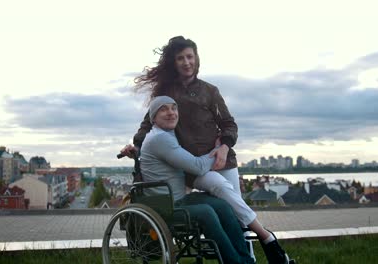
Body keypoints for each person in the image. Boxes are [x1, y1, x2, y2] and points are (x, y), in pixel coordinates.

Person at [121, 36, 293, 263]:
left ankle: (252, 255)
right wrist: (137, 146)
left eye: (190, 56)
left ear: (197, 59)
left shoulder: (210, 91)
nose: (186, 62)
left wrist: (223, 147)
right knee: (219, 200)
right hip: (194, 166)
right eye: (180, 58)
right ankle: (260, 241)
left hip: (223, 160)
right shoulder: (167, 94)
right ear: (174, 62)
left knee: (237, 216)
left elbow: (229, 124)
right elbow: (149, 124)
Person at [139, 96, 254, 264]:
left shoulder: (167, 135)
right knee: (206, 212)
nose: (171, 113)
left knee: (222, 205)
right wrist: (219, 148)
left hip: (178, 199)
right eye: (163, 109)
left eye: (173, 108)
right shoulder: (159, 138)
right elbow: (198, 167)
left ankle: (245, 260)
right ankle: (234, 261)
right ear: (153, 118)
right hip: (165, 207)